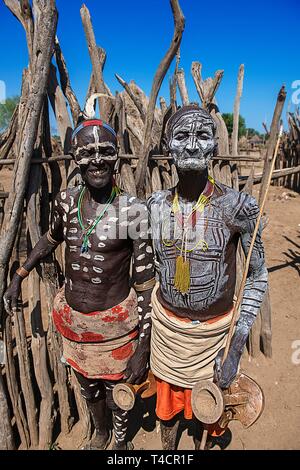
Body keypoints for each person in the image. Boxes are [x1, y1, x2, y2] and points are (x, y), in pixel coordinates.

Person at [4, 116, 155, 450]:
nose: (97, 159)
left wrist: (143, 345)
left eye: (106, 151)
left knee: (118, 389)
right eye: (88, 152)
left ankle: (119, 442)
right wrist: (20, 274)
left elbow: (145, 284)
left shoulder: (133, 211)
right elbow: (49, 239)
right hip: (75, 323)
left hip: (115, 325)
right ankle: (100, 433)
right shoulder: (66, 202)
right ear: (75, 158)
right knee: (88, 386)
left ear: (117, 156)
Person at [147, 104, 268, 450]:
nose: (191, 145)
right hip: (168, 334)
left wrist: (237, 343)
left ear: (215, 145)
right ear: (168, 146)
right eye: (182, 136)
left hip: (216, 337)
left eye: (202, 136)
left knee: (211, 410)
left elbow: (258, 276)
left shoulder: (238, 207)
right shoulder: (155, 205)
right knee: (166, 413)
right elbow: (151, 272)